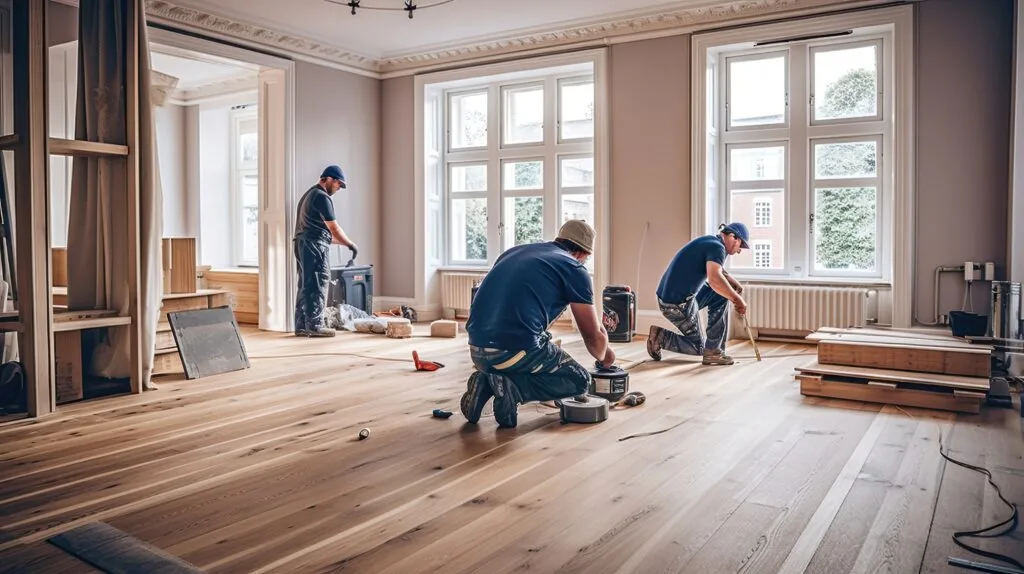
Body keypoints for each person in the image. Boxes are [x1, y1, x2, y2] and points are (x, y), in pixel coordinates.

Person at [461, 220, 615, 428]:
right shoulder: (574, 268)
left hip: (476, 349)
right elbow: (593, 340)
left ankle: (485, 383)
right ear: (582, 253)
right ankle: (514, 389)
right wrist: (607, 357)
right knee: (579, 380)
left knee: (535, 346)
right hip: (512, 352)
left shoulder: (515, 252)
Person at [646, 222, 750, 365]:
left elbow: (716, 269)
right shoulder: (718, 248)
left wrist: (734, 283)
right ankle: (661, 337)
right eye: (741, 246)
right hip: (676, 304)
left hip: (673, 297)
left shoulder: (711, 242)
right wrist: (737, 299)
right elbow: (714, 278)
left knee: (721, 295)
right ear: (733, 237)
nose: (739, 251)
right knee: (698, 347)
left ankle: (715, 350)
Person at [293, 165, 358, 337]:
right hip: (315, 247)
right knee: (318, 283)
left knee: (305, 284)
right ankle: (315, 325)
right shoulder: (322, 197)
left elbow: (326, 234)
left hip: (302, 243)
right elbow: (334, 228)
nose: (338, 188)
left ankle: (301, 325)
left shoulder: (308, 195)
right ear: (328, 179)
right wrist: (351, 244)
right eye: (338, 183)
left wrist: (345, 244)